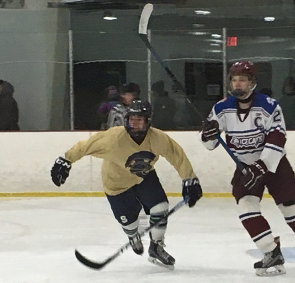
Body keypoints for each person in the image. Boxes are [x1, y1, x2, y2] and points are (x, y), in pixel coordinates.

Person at [51, 100, 202, 269]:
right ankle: (132, 235)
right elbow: (84, 146)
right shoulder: (113, 138)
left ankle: (156, 247)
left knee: (160, 207)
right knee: (130, 223)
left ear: (148, 121)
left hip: (144, 177)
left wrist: (189, 179)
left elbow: (177, 156)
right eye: (131, 119)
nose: (134, 123)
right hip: (116, 184)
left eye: (139, 119)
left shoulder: (158, 138)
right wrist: (65, 161)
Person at [199, 61, 295, 276]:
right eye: (234, 80)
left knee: (290, 209)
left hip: (274, 166)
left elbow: (278, 137)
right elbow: (209, 144)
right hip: (245, 167)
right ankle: (271, 252)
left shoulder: (269, 105)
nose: (238, 84)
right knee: (246, 207)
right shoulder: (221, 108)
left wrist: (262, 166)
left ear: (252, 83)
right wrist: (208, 134)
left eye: (242, 79)